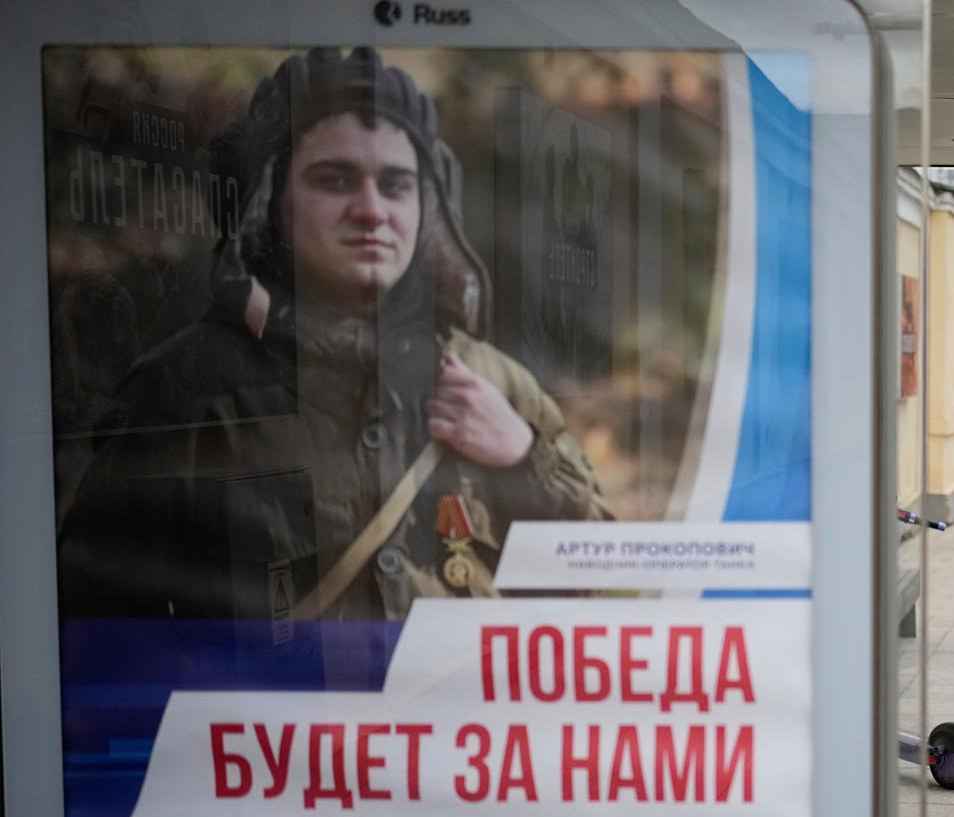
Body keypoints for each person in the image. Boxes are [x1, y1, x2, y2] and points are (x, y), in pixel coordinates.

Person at [60, 47, 611, 625]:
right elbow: (100, 640)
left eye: (396, 185)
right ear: (270, 201)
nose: (371, 210)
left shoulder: (497, 385)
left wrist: (525, 460)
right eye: (334, 180)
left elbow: (594, 604)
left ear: (427, 210)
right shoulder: (183, 392)